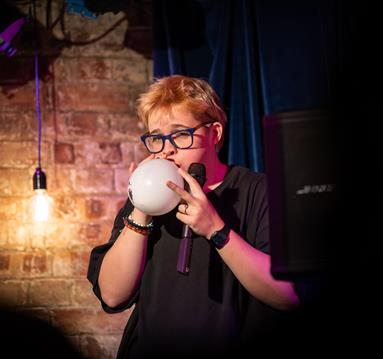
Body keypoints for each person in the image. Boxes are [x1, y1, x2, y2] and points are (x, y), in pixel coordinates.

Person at [87, 75, 300, 359]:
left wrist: (217, 230)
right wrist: (141, 206)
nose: (167, 149)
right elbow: (113, 295)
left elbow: (288, 294)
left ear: (214, 133)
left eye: (179, 134)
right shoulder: (145, 199)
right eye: (156, 138)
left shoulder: (259, 191)